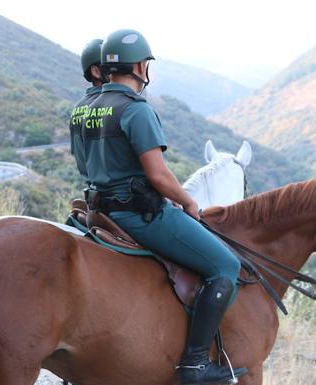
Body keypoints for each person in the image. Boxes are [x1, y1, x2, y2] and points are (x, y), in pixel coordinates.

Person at [80, 29, 246, 385]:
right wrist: (187, 201)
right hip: (137, 214)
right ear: (141, 66)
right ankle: (195, 364)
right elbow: (157, 174)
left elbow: (87, 164)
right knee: (225, 265)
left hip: (98, 210)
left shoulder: (83, 107)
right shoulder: (135, 109)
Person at [69, 39, 107, 180]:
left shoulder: (77, 108)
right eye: (111, 67)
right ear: (96, 71)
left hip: (94, 194)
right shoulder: (118, 105)